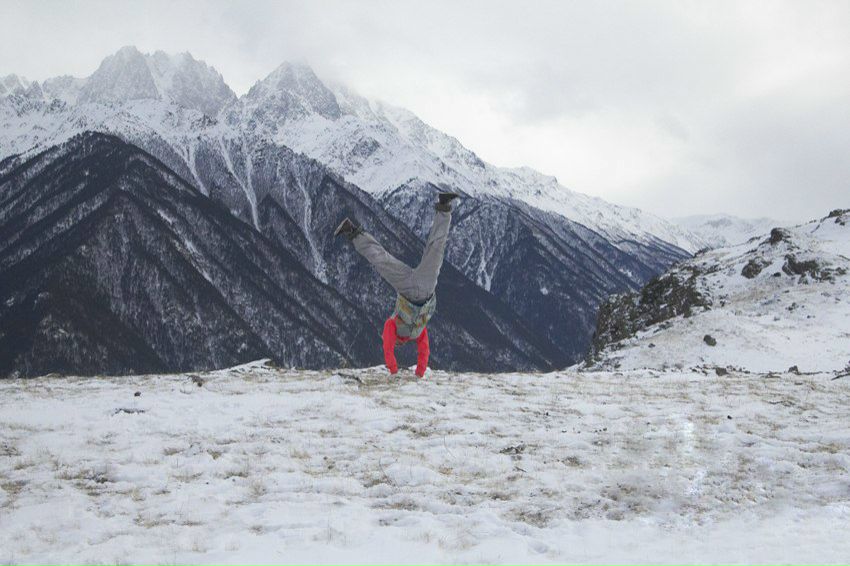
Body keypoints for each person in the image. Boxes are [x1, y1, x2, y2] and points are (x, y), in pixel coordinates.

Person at [334, 192, 459, 378]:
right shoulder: (415, 332)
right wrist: (417, 373)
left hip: (416, 288)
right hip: (416, 288)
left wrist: (399, 371)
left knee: (431, 250)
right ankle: (444, 207)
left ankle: (352, 231)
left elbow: (398, 349)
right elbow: (417, 351)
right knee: (384, 259)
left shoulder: (397, 327)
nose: (398, 343)